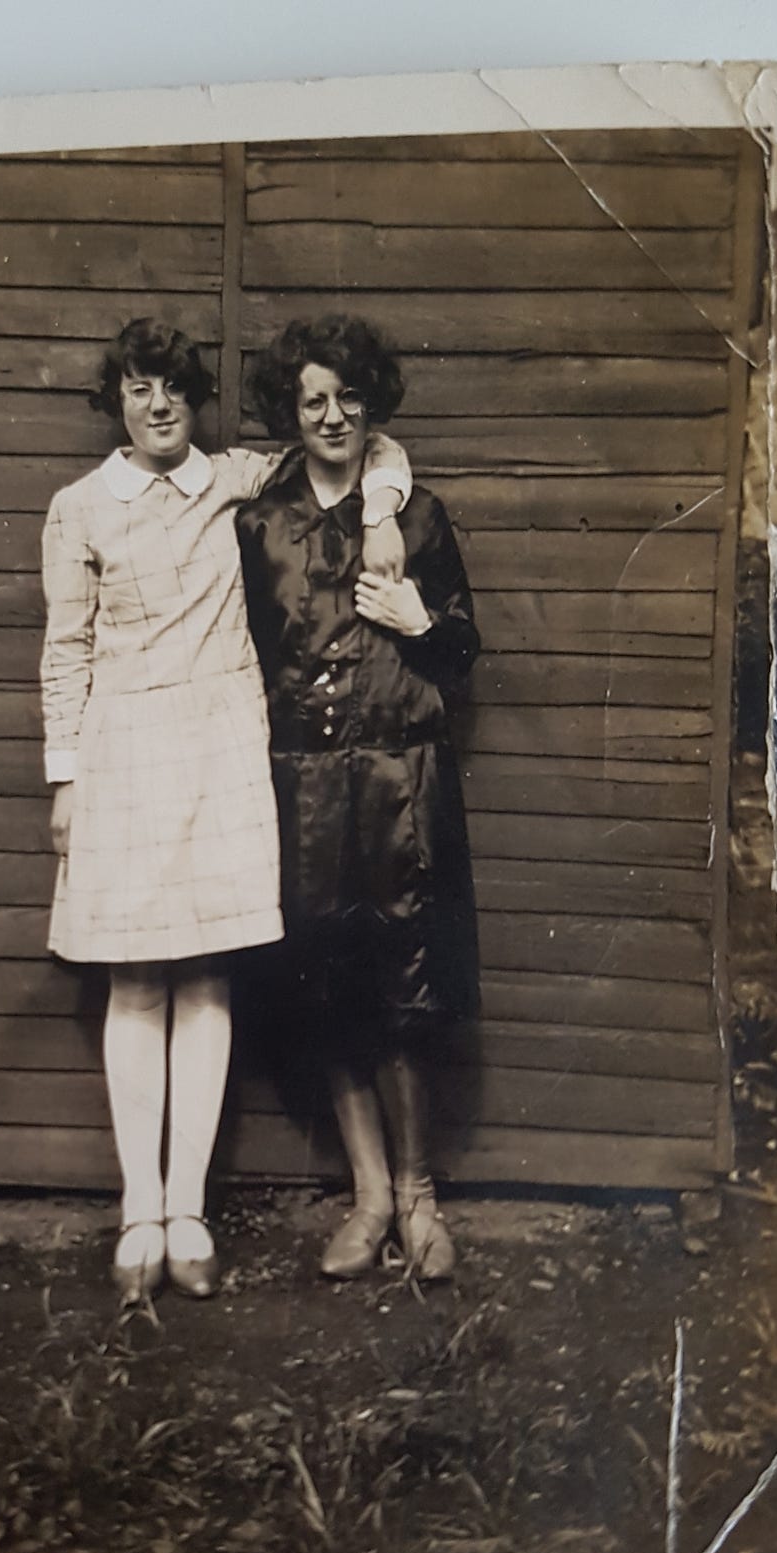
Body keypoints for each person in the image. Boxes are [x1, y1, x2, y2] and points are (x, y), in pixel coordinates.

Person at [39, 318, 412, 1305]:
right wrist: (65, 780)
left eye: (171, 387)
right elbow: (63, 652)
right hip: (123, 758)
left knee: (205, 976)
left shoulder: (234, 480)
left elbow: (363, 443)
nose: (157, 404)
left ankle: (190, 1213)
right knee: (136, 981)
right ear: (115, 401)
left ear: (194, 399)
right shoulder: (78, 510)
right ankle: (139, 1215)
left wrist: (381, 510)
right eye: (137, 387)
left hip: (219, 752)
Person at [236, 315, 481, 1283]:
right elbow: (241, 658)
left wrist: (423, 619)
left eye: (347, 399)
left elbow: (463, 652)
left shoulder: (418, 517)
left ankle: (419, 1199)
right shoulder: (259, 525)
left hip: (402, 786)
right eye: (312, 401)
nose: (331, 417)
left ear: (370, 405)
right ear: (290, 415)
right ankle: (370, 1194)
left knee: (405, 988)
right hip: (302, 793)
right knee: (328, 991)